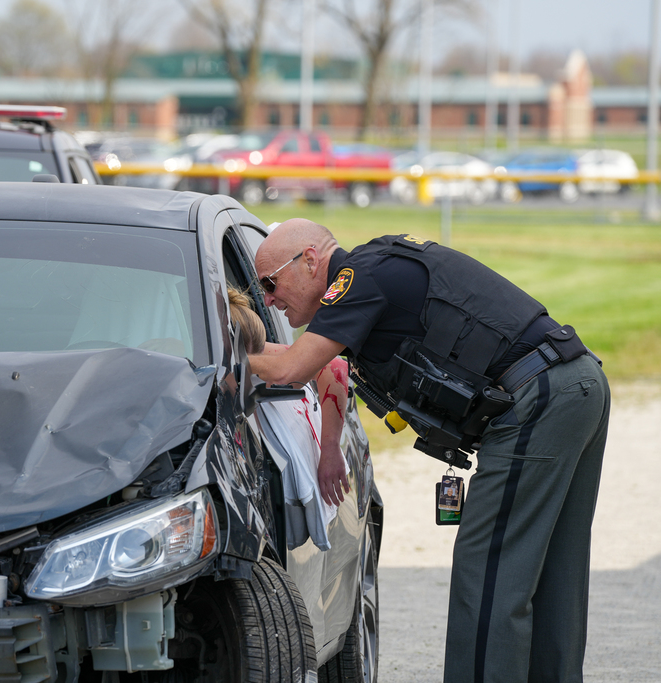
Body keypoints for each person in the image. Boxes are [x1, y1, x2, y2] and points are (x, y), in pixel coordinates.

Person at [247, 219, 610, 683]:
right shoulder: (375, 270)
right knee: (554, 573)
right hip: (574, 384)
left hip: (536, 400)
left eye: (270, 283)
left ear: (310, 260)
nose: (269, 299)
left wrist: (217, 357)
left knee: (489, 574)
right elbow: (311, 362)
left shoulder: (355, 279)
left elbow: (293, 368)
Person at [227, 286, 351, 508]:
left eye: (259, 372)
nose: (263, 380)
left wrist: (329, 449)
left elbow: (334, 366)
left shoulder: (247, 350)